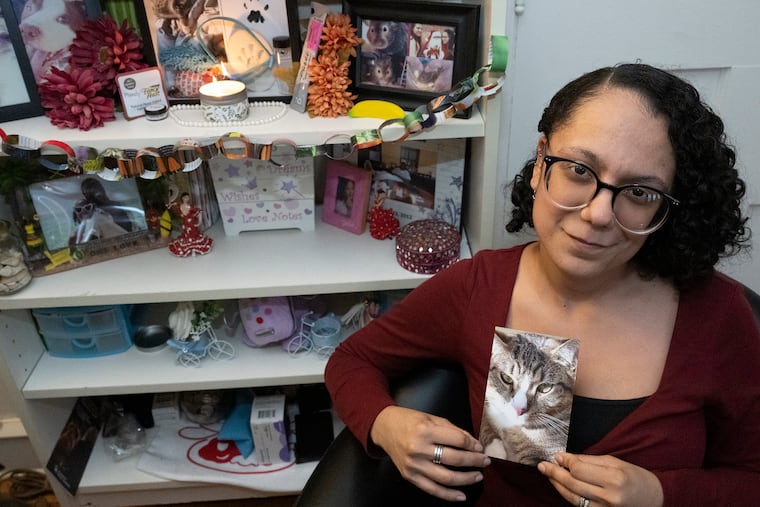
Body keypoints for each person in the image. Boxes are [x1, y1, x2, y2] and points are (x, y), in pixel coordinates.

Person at [325, 63, 760, 506]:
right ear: (540, 164)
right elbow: (351, 359)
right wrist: (387, 423)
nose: (597, 214)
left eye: (639, 193)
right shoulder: (479, 286)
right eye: (578, 170)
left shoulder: (717, 316)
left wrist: (661, 494)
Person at [168, 192, 213, 257]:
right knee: (187, 235)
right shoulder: (179, 206)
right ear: (182, 198)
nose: (187, 199)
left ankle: (194, 249)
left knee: (194, 235)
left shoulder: (191, 207)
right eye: (186, 197)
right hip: (185, 225)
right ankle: (190, 249)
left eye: (188, 197)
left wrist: (199, 222)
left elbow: (199, 212)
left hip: (192, 224)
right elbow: (171, 206)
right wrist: (170, 201)